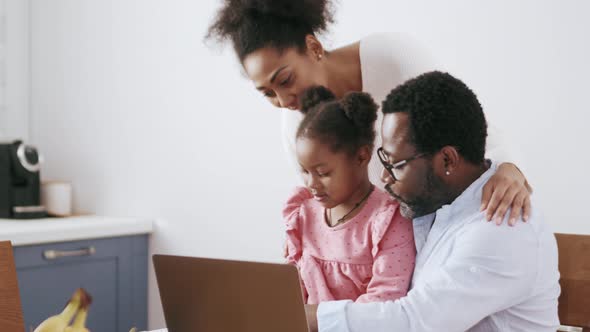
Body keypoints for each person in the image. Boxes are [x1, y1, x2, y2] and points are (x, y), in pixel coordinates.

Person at [206, 0, 532, 225]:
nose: (283, 100)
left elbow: (470, 123)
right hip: (386, 252)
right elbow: (327, 204)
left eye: (285, 80)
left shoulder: (392, 57)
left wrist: (509, 168)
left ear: (314, 47)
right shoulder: (296, 127)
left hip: (455, 224)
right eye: (267, 94)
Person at [305, 71, 560, 332]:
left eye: (395, 165)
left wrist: (307, 317)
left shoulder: (501, 227)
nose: (384, 176)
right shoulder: (441, 203)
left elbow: (414, 322)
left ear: (447, 160)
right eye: (383, 159)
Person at [284, 86, 415, 304]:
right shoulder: (302, 213)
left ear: (362, 156)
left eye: (323, 173)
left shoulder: (387, 221)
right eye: (305, 171)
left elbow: (385, 299)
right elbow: (292, 291)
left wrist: (318, 320)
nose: (311, 183)